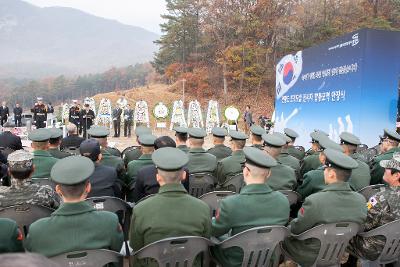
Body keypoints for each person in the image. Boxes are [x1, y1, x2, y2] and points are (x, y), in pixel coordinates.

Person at [283, 148, 367, 267]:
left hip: (309, 254)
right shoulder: (360, 200)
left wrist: (287, 227)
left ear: (331, 173)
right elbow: (359, 228)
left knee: (283, 235)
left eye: (326, 169)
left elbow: (296, 230)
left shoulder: (315, 201)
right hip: (339, 251)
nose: (324, 172)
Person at [25, 156, 124, 257]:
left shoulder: (37, 229)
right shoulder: (109, 221)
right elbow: (116, 250)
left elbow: (33, 257)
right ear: (88, 187)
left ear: (58, 190)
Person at [129, 147, 211, 266]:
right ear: (184, 175)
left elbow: (136, 246)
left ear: (158, 177)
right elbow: (205, 241)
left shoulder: (141, 209)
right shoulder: (202, 208)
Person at [211, 147, 290, 267]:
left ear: (245, 171)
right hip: (267, 257)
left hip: (235, 260)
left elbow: (215, 230)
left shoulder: (231, 203)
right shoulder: (283, 201)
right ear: (269, 174)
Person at [348, 152, 400, 263]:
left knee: (342, 236)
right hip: (397, 247)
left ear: (397, 175)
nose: (384, 169)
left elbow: (362, 225)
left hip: (375, 249)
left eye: (388, 168)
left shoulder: (380, 198)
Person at [133, 136, 190, 202]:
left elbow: (137, 200)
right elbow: (186, 194)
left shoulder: (143, 173)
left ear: (155, 151)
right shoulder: (183, 171)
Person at [126, 134, 157, 201]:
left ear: (141, 148)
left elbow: (128, 183)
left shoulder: (132, 165)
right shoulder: (160, 164)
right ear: (154, 149)